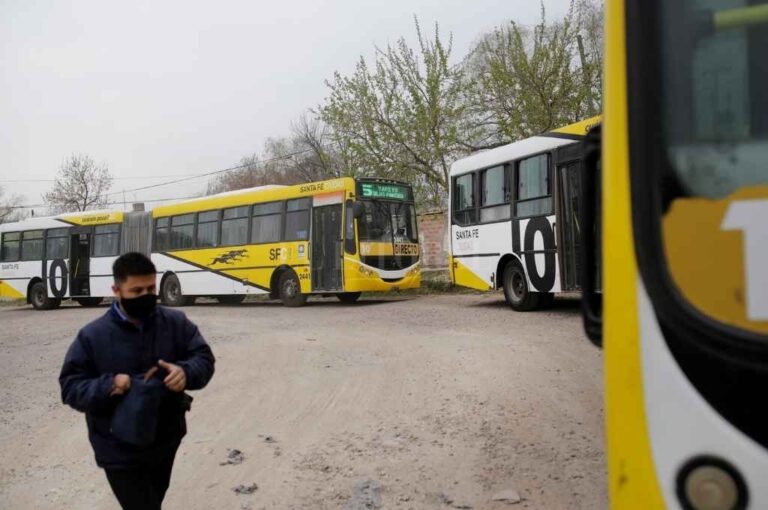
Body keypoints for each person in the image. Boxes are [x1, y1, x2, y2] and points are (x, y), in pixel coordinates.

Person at [59, 252, 215, 510]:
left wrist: (186, 372)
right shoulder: (93, 336)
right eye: (137, 290)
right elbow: (70, 387)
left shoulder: (175, 323)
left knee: (152, 501)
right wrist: (109, 385)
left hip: (164, 440)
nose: (146, 295)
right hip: (116, 447)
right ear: (116, 291)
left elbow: (204, 358)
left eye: (151, 289)